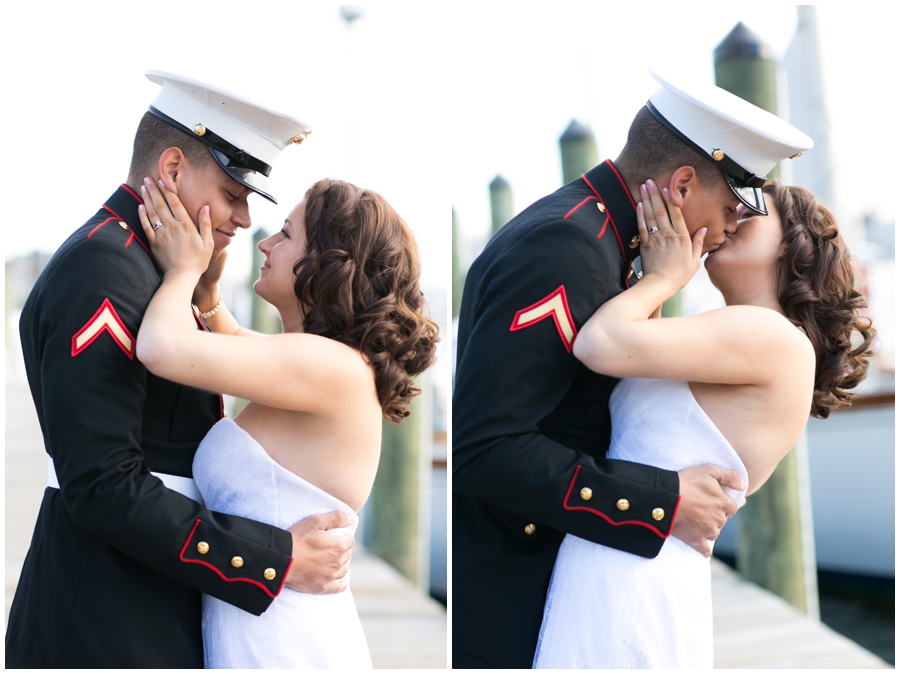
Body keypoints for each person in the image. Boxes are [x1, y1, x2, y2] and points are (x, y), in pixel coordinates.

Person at [451, 68, 817, 668]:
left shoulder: (611, 245)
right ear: (681, 183)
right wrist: (662, 501)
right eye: (732, 206)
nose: (730, 227)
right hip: (513, 592)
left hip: (582, 578)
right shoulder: (568, 246)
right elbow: (485, 450)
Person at [5, 71, 354, 668]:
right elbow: (102, 483)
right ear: (170, 171)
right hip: (105, 619)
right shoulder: (105, 271)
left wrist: (195, 286)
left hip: (145, 598)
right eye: (234, 194)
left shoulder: (154, 269)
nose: (245, 221)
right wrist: (275, 558)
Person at [533, 179, 874, 668]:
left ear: (794, 243)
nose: (729, 219)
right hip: (627, 553)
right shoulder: (736, 334)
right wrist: (658, 274)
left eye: (750, 212)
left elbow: (599, 344)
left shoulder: (772, 335)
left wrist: (664, 278)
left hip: (635, 570)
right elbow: (627, 354)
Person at [134, 175, 438, 668]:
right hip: (269, 625)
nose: (264, 242)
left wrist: (181, 271)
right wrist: (208, 290)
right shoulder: (323, 364)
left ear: (327, 264)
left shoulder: (332, 367)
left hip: (286, 643)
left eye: (286, 234)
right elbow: (233, 340)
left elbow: (160, 347)